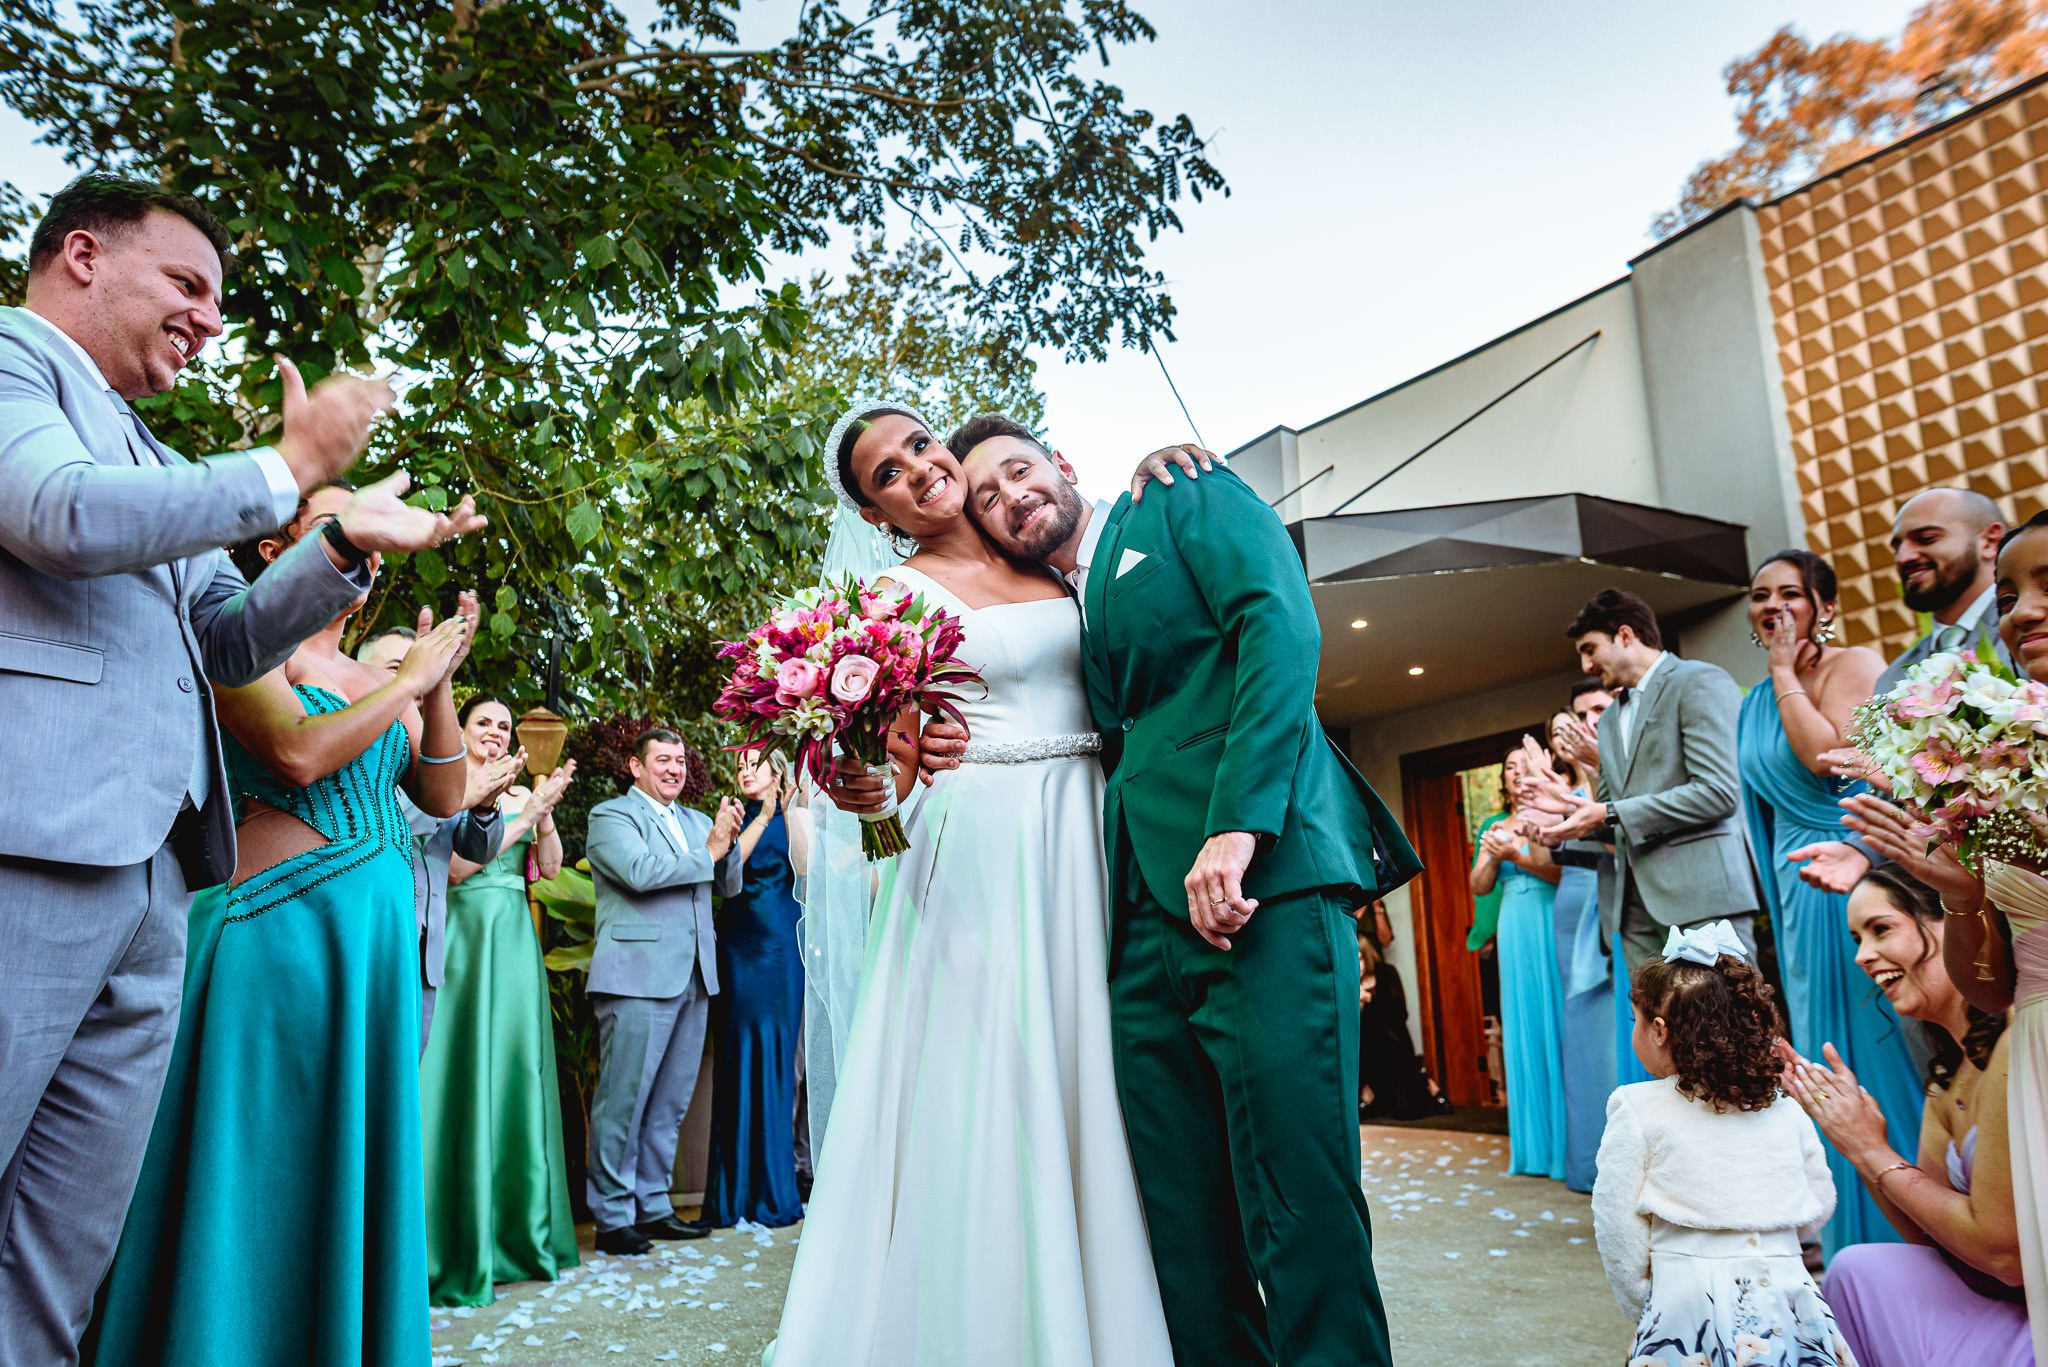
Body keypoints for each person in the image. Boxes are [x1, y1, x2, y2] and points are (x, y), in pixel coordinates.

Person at [0, 172, 483, 1363]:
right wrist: (284, 463)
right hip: (30, 843)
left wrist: (338, 543)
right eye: (187, 284)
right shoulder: (12, 366)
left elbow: (226, 635)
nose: (209, 317)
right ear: (80, 256)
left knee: (59, 1247)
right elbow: (55, 513)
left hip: (160, 882)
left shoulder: (151, 451)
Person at [934, 411, 1423, 1367]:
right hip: (1137, 923)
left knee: (1298, 1196)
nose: (1011, 498)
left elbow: (1278, 630)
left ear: (1063, 463)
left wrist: (1238, 825)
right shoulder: (1050, 606)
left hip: (1263, 888)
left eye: (1020, 471)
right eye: (987, 496)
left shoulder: (1180, 495)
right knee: (1181, 1223)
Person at [769, 405, 1203, 1367]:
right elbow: (878, 804)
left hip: (1089, 835)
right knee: (998, 1085)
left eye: (919, 444)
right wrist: (871, 786)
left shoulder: (1045, 556)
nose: (917, 471)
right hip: (979, 857)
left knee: (1104, 1068)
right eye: (887, 474)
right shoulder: (887, 601)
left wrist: (1156, 466)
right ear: (879, 512)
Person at [93, 488, 481, 1364]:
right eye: (340, 529)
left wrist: (437, 683)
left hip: (370, 961)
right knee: (258, 1175)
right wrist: (406, 685)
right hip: (279, 940)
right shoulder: (242, 642)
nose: (371, 553)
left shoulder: (385, 678)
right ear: (276, 549)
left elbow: (443, 795)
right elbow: (297, 752)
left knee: (345, 1174)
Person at [1842, 508, 2048, 1365]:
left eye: (2047, 587)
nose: (2023, 610)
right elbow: (1994, 989)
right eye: (2010, 594)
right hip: (2035, 1047)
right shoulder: (2016, 756)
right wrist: (1959, 889)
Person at [1739, 550, 1921, 1255]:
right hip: (1794, 891)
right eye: (1761, 595)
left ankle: (1910, 1228)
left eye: (1791, 593)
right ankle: (1849, 1238)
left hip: (1854, 881)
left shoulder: (1854, 665)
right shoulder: (1751, 700)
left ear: (1826, 606)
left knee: (1872, 1050)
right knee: (1821, 1051)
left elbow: (1830, 758)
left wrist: (1785, 670)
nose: (1774, 606)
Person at [1778, 865, 2028, 1367]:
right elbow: (1934, 1239)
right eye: (1856, 938)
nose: (1862, 956)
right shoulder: (1948, 1077)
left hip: (2032, 1316)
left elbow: (2004, 1256)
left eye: (1881, 929)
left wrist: (1873, 1151)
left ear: (1951, 925)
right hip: (1999, 1299)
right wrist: (1857, 1144)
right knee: (1858, 1270)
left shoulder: (2017, 1044)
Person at [1593, 921, 1853, 1367]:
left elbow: (1616, 1224)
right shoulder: (1783, 1107)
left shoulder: (1635, 1107)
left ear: (1658, 1030)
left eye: (1633, 1020)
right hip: (1786, 1294)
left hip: (1687, 1298)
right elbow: (1818, 1203)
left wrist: (1646, 1304)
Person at [418, 696, 579, 1306]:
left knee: (514, 1073)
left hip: (513, 942)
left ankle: (520, 1236)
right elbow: (456, 868)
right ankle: (453, 1242)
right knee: (460, 1075)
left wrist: (542, 816)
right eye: (483, 722)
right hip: (465, 939)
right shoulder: (447, 786)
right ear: (461, 730)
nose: (494, 732)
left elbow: (553, 867)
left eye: (503, 725)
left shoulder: (521, 793)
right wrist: (524, 811)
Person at [1788, 487, 2010, 896]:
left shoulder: (2028, 634)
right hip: (1953, 903)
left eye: (1925, 539)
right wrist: (1861, 850)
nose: (1904, 557)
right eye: (1898, 545)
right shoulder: (1894, 676)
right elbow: (1893, 792)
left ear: (1989, 540)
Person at [1530, 589, 1759, 972]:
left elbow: (1718, 793)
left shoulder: (1697, 681)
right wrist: (1564, 822)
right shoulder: (1606, 721)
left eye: (1590, 649)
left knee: (1731, 1026)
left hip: (1703, 898)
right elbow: (1611, 818)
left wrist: (1607, 812)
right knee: (1660, 1029)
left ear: (1625, 635)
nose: (1586, 666)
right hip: (1633, 910)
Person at [583, 728, 744, 1257]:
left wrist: (731, 840)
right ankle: (611, 1216)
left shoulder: (699, 822)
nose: (674, 768)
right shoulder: (612, 817)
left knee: (671, 1102)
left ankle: (653, 1205)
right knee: (623, 1099)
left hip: (695, 975)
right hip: (636, 975)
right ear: (636, 766)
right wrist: (714, 849)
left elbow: (727, 885)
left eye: (680, 760)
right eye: (663, 759)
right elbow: (639, 872)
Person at [359, 626, 515, 1048]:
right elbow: (384, 821)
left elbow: (476, 848)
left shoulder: (440, 754)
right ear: (356, 671)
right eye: (398, 667)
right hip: (369, 938)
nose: (416, 681)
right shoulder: (354, 742)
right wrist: (464, 795)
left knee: (404, 1080)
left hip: (426, 949)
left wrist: (484, 806)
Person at [705, 749, 811, 1230]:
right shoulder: (731, 816)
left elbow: (808, 870)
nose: (745, 772)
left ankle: (776, 1187)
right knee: (736, 1059)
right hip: (738, 946)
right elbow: (726, 877)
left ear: (778, 771)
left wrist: (792, 810)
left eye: (755, 764)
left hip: (782, 946)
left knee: (779, 1061)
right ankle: (734, 1193)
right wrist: (761, 815)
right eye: (741, 765)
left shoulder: (796, 812)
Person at [1469, 746, 1566, 1181]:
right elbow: (1478, 885)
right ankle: (1532, 1148)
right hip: (1513, 924)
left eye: (1522, 766)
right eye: (1509, 768)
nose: (1516, 774)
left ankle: (1569, 1144)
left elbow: (1561, 874)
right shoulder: (1492, 825)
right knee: (1523, 1027)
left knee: (1560, 1024)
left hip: (1552, 915)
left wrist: (1518, 856)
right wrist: (1493, 853)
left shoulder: (1555, 812)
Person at [1546, 702, 1619, 1191]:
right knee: (1580, 1030)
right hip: (1571, 906)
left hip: (1608, 895)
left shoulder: (1607, 775)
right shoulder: (1555, 790)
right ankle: (1585, 1157)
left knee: (1613, 1030)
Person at [1355, 901, 1447, 1121]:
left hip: (1389, 1033)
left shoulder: (1386, 974)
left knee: (1405, 1109)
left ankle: (1422, 1079)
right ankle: (1367, 1087)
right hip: (1366, 1041)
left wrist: (1376, 906)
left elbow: (1386, 939)